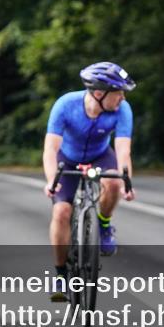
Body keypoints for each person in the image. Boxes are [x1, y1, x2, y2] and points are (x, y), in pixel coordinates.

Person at [43, 62, 136, 302]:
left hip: (100, 156)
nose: (122, 97)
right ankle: (61, 274)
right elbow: (50, 149)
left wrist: (126, 180)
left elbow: (123, 150)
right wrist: (52, 179)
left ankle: (103, 225)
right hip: (68, 159)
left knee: (113, 183)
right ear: (99, 93)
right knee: (62, 212)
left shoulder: (122, 109)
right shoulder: (65, 105)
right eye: (118, 92)